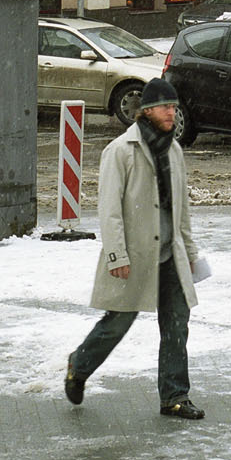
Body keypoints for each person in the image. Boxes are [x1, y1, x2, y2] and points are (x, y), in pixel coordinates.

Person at [63, 79, 204, 418]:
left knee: (176, 324)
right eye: (165, 107)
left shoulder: (174, 150)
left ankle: (174, 396)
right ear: (147, 112)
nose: (172, 112)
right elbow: (109, 210)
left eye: (174, 107)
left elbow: (180, 209)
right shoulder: (121, 151)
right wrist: (117, 255)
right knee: (118, 322)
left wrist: (192, 253)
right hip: (135, 254)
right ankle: (79, 366)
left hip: (171, 254)